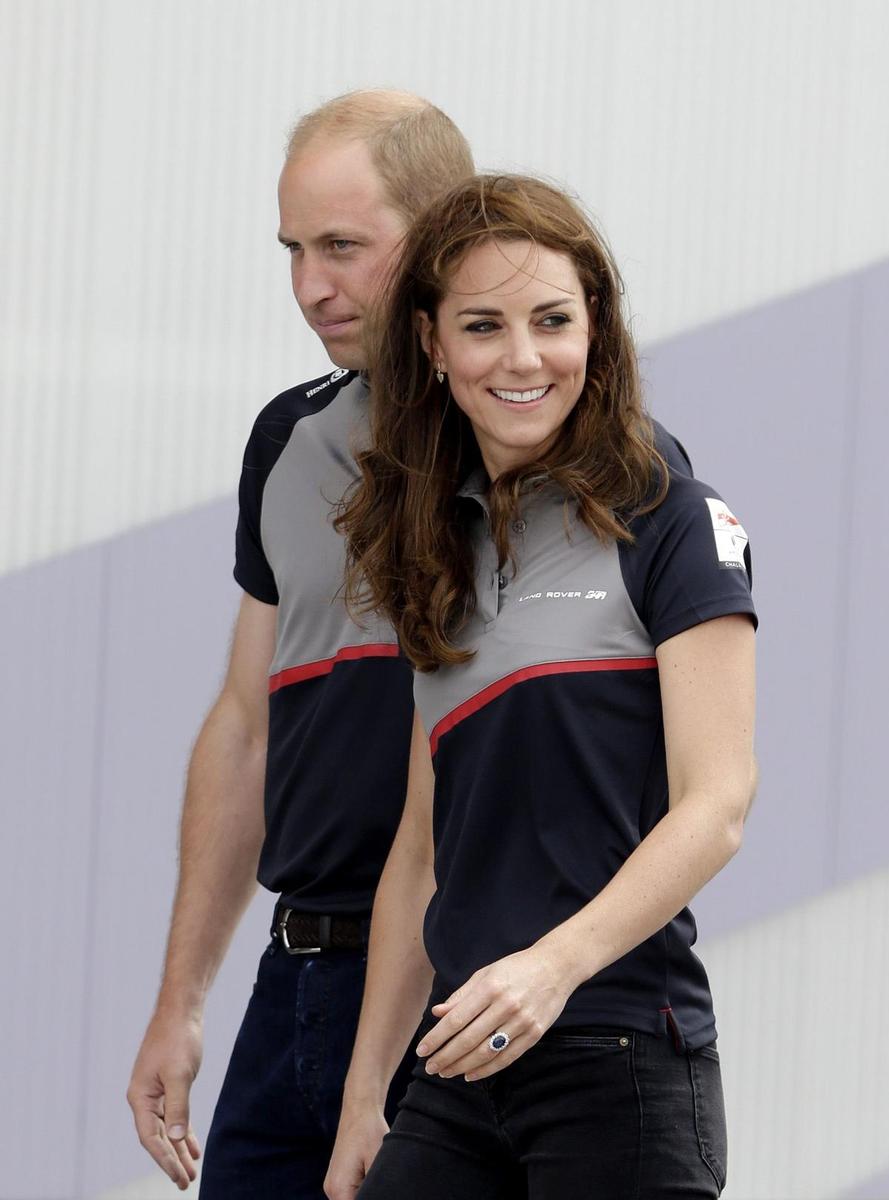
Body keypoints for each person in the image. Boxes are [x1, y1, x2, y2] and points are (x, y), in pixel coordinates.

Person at [326, 174, 757, 1199]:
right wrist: (363, 1095)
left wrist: (551, 967)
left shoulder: (674, 521)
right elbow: (422, 854)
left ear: (595, 331)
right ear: (431, 345)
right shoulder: (433, 557)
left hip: (619, 1055)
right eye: (483, 325)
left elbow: (718, 804)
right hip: (458, 1063)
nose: (522, 359)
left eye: (552, 320)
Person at [126, 90, 476, 1199]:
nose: (311, 287)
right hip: (300, 985)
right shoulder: (288, 436)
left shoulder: (534, 433)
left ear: (441, 237)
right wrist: (181, 1004)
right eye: (294, 250)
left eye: (343, 248)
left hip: (461, 992)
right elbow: (244, 727)